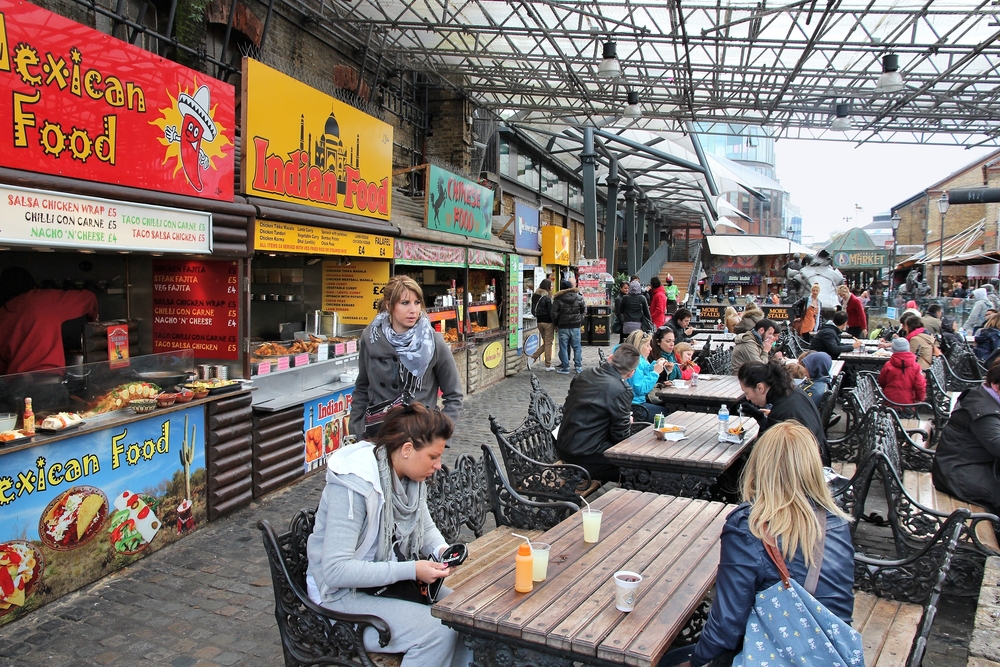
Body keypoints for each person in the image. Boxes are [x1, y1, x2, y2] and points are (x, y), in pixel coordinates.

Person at [659, 421, 854, 667]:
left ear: (760, 466)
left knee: (670, 660)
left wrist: (695, 663)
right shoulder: (837, 521)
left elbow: (725, 627)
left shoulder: (750, 526)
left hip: (770, 653)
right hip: (832, 653)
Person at [306, 403, 472, 667]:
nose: (439, 465)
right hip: (339, 597)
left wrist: (442, 551)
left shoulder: (409, 479)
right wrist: (412, 570)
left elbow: (425, 526)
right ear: (407, 450)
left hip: (382, 586)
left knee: (465, 616)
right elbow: (336, 571)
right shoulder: (354, 484)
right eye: (433, 457)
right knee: (437, 631)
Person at [351, 276, 464, 441]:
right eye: (405, 303)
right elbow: (362, 388)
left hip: (420, 438)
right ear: (389, 305)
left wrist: (438, 435)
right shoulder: (370, 338)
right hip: (378, 434)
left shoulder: (433, 341)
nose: (413, 310)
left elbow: (454, 395)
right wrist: (356, 429)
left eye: (417, 302)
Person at [556, 344, 641, 480]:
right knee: (641, 470)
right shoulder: (621, 389)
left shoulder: (584, 374)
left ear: (610, 358)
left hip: (565, 446)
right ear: (631, 373)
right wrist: (626, 422)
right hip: (587, 456)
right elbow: (620, 436)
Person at [0, 267, 100, 376]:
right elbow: (89, 298)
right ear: (31, 283)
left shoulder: (3, 312)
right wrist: (95, 327)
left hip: (14, 384)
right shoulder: (42, 299)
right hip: (48, 381)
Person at [932, 362, 1000, 515]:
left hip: (963, 467)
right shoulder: (983, 410)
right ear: (996, 385)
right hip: (960, 474)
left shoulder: (985, 397)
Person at [737, 360, 831, 465]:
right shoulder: (795, 392)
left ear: (760, 388)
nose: (747, 398)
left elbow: (773, 452)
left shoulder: (782, 412)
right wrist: (759, 415)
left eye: (747, 392)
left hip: (808, 469)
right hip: (820, 459)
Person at [620, 331, 668, 420]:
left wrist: (654, 366)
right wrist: (655, 373)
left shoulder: (635, 359)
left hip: (633, 403)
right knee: (669, 413)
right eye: (647, 345)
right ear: (639, 346)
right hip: (635, 407)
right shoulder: (636, 362)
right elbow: (641, 389)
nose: (650, 349)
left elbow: (643, 375)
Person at [878, 337, 927, 409]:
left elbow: (882, 381)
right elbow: (920, 386)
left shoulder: (888, 365)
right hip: (908, 403)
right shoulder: (916, 367)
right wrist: (920, 399)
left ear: (893, 350)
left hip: (889, 402)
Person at [551, 279, 587, 374]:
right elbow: (584, 309)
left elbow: (554, 313)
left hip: (563, 326)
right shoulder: (579, 297)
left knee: (563, 346)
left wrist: (556, 324)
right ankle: (578, 366)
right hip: (575, 326)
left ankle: (565, 367)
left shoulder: (558, 299)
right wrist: (580, 319)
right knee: (577, 347)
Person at [526, 279, 555, 372]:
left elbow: (532, 308)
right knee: (548, 343)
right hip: (548, 322)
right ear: (547, 286)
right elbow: (551, 311)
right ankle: (547, 364)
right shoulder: (547, 297)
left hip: (539, 322)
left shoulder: (535, 295)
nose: (552, 287)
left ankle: (532, 358)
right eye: (551, 286)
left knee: (546, 343)